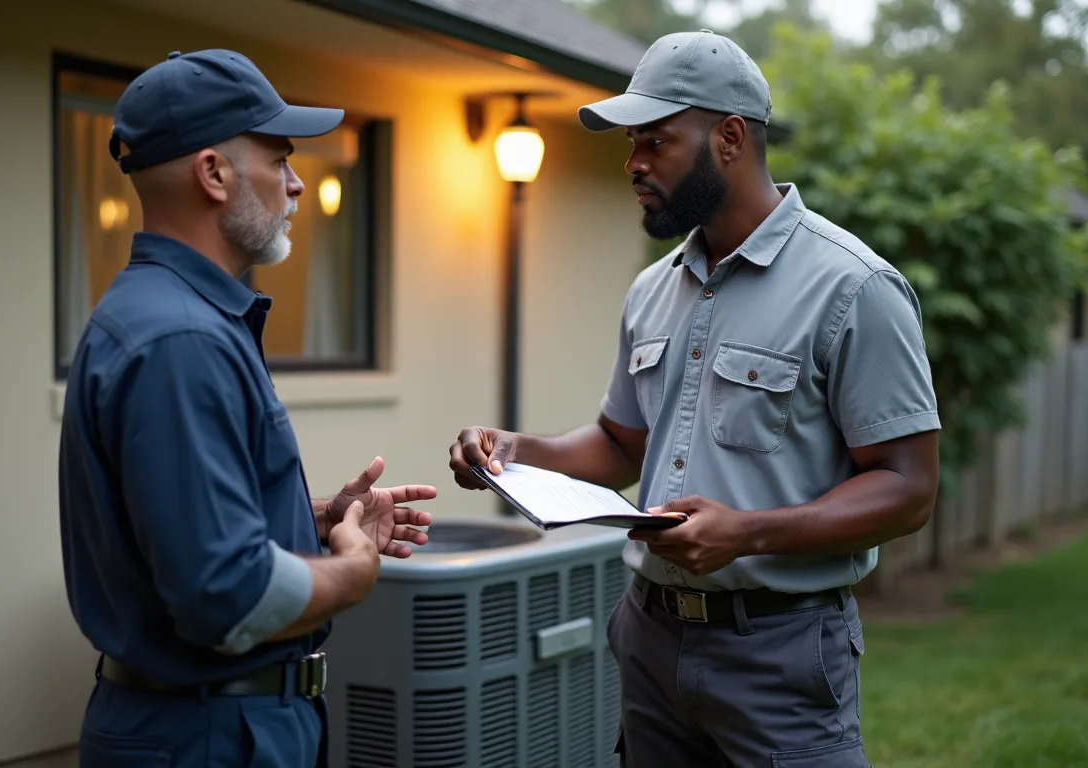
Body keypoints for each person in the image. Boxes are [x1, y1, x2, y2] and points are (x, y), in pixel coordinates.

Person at [448, 29, 940, 767]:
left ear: (731, 138)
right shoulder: (653, 290)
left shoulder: (853, 289)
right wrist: (515, 453)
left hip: (779, 651)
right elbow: (622, 446)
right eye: (631, 143)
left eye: (655, 141)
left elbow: (909, 488)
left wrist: (747, 532)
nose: (633, 164)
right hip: (649, 637)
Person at [58, 49, 435, 768]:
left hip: (215, 728)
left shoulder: (178, 316)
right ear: (213, 173)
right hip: (206, 740)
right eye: (281, 159)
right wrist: (351, 573)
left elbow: (177, 531)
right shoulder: (178, 338)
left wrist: (314, 520)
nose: (297, 184)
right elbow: (223, 594)